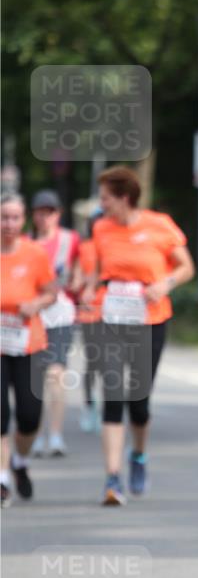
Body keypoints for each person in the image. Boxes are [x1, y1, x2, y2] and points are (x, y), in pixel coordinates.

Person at [82, 166, 194, 506]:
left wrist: (165, 283)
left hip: (150, 319)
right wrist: (88, 291)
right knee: (113, 393)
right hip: (111, 317)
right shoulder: (101, 228)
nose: (101, 206)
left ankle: (139, 456)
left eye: (105, 199)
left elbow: (186, 266)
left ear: (124, 197)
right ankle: (112, 479)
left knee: (139, 402)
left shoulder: (159, 225)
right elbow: (97, 271)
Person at [1, 193, 56, 506]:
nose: (8, 224)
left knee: (29, 416)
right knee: (0, 416)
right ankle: (2, 479)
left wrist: (35, 303)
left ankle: (20, 463)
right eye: (3, 217)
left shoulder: (34, 254)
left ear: (23, 221)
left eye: (14, 217)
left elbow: (51, 292)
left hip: (28, 344)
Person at [30, 189, 80, 456]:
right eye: (41, 212)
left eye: (50, 212)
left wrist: (80, 282)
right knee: (35, 377)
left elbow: (84, 269)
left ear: (58, 214)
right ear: (34, 215)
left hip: (60, 313)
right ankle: (35, 434)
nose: (45, 217)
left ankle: (56, 435)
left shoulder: (70, 240)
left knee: (55, 374)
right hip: (34, 314)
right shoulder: (26, 243)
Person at [72, 211, 103, 434]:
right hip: (90, 313)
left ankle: (111, 406)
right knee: (94, 362)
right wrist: (79, 284)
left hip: (114, 313)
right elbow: (76, 278)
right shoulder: (84, 247)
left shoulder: (115, 244)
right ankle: (90, 406)